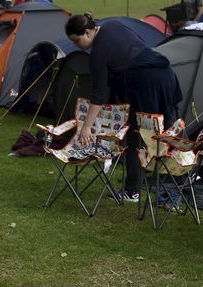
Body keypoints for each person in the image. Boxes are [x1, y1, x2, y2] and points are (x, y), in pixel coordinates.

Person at [65, 14, 183, 203]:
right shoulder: (113, 25)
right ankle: (183, 179)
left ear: (87, 32)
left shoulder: (97, 54)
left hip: (146, 83)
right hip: (166, 72)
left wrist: (87, 126)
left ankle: (132, 191)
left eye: (77, 40)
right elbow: (139, 45)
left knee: (136, 137)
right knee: (170, 131)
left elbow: (99, 96)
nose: (75, 45)